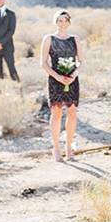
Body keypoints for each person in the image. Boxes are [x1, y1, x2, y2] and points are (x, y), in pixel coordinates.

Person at [41, 10, 83, 161]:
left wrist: (73, 75)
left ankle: (69, 147)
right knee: (57, 113)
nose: (62, 23)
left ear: (69, 22)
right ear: (56, 22)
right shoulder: (49, 39)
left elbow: (81, 62)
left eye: (65, 20)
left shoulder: (75, 39)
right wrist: (58, 77)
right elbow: (43, 63)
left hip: (72, 80)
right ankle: (57, 148)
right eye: (59, 20)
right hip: (55, 80)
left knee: (72, 113)